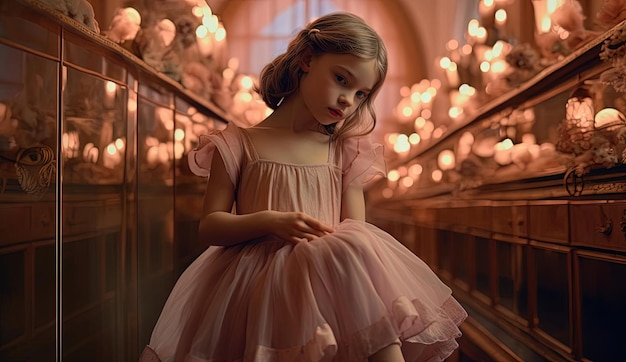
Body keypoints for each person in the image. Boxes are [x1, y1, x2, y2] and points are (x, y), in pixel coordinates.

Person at [140, 12, 467, 362]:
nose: (348, 100)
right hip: (256, 290)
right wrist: (269, 221)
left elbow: (356, 235)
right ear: (307, 60)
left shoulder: (344, 150)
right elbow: (210, 225)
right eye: (342, 79)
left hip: (331, 289)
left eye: (360, 94)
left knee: (349, 249)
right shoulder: (237, 144)